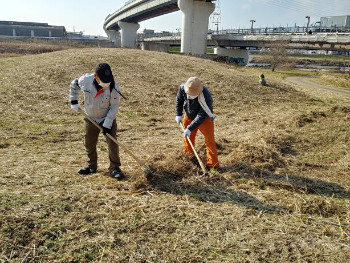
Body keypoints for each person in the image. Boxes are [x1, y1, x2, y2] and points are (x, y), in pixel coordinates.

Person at [69, 63, 124, 180]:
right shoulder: (85, 80)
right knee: (89, 142)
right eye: (103, 80)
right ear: (95, 76)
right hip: (90, 118)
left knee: (112, 143)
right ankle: (91, 166)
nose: (106, 83)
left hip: (106, 117)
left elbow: (114, 107)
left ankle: (115, 168)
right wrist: (74, 101)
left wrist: (107, 124)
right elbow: (74, 84)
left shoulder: (114, 86)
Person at [175, 77, 219, 171]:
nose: (190, 95)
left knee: (209, 141)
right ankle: (189, 159)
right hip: (189, 115)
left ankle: (213, 165)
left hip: (205, 118)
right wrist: (178, 114)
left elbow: (201, 115)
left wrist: (190, 128)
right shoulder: (182, 88)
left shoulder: (206, 96)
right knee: (188, 139)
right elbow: (179, 100)